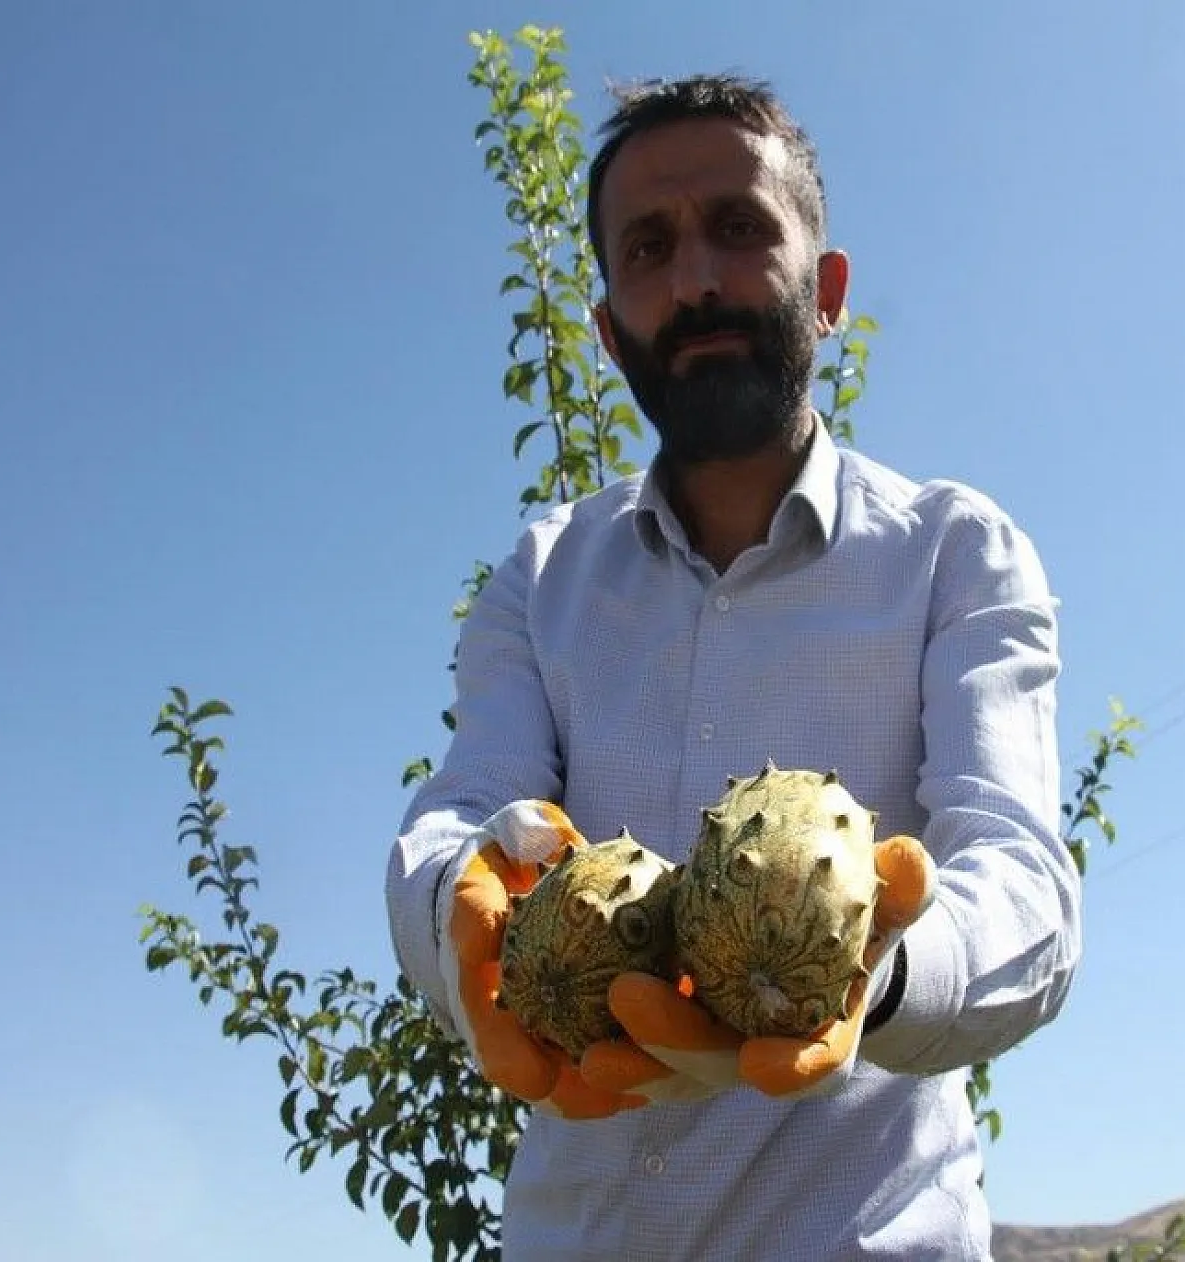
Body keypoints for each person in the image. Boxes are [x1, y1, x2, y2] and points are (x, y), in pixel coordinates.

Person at [386, 72, 1081, 1261]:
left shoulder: (954, 552)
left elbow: (1021, 881)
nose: (696, 279)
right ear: (605, 332)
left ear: (827, 294)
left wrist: (879, 965)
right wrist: (461, 914)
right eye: (647, 248)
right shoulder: (538, 577)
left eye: (741, 229)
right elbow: (460, 810)